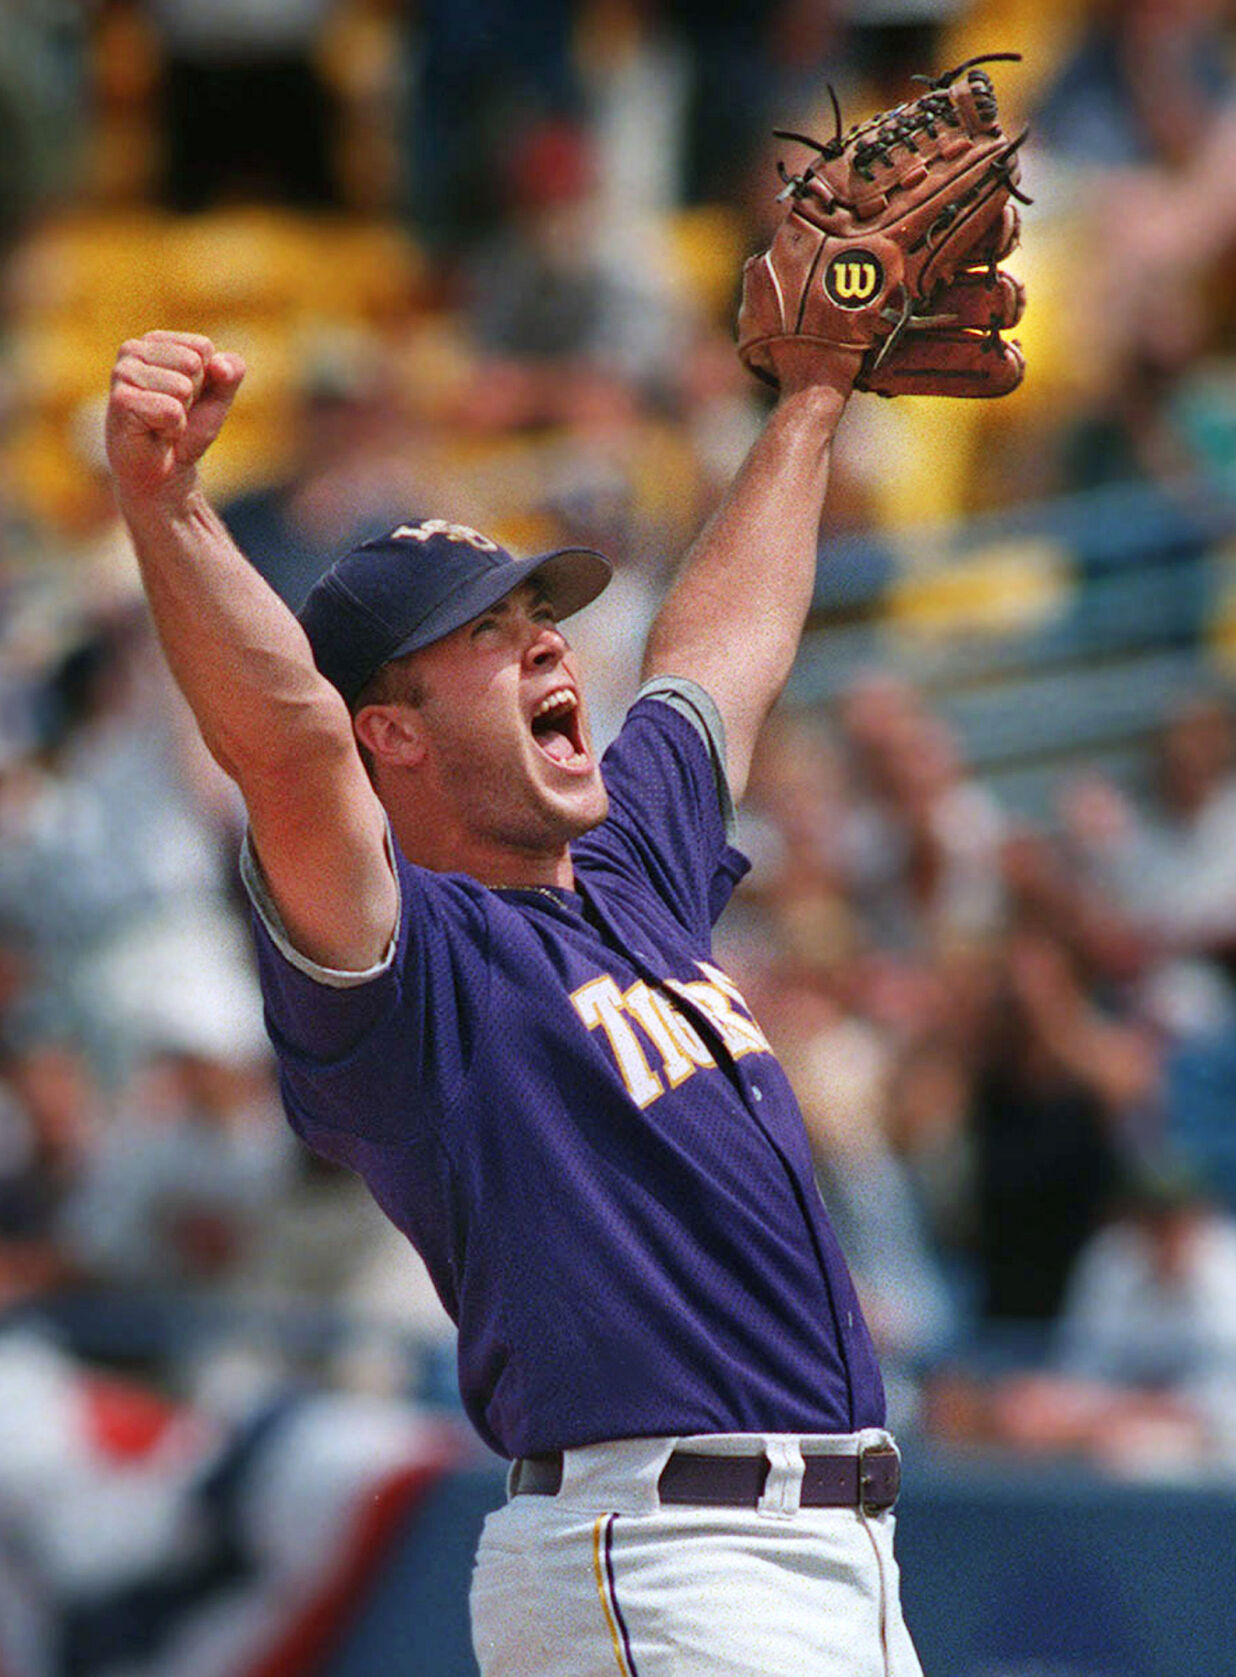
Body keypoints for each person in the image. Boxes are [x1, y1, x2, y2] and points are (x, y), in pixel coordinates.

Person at [105, 324, 922, 1676]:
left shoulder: (627, 874)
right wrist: (168, 500)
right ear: (396, 732)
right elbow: (291, 749)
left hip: (836, 1562)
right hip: (666, 1558)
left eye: (545, 621)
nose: (551, 652)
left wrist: (814, 396)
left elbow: (718, 653)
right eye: (492, 634)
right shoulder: (417, 969)